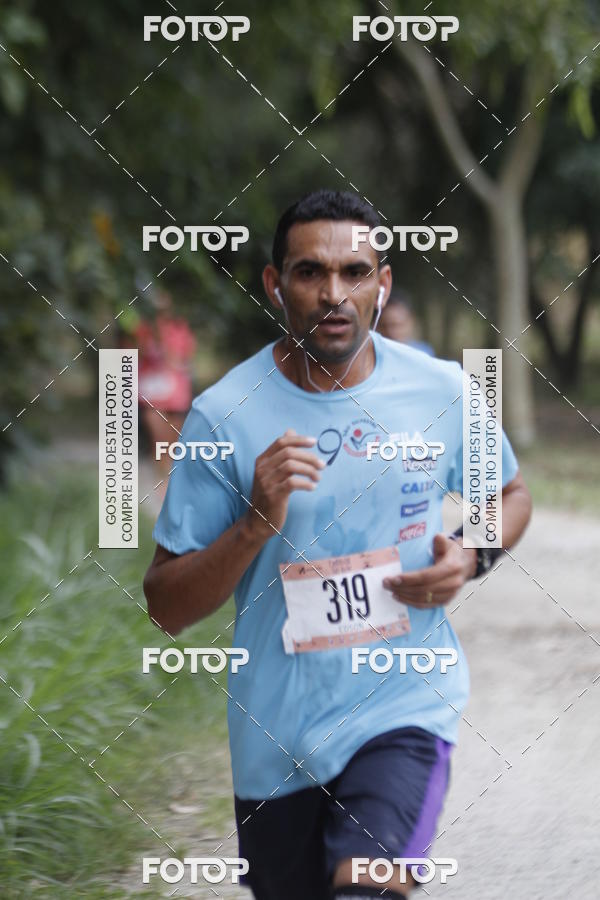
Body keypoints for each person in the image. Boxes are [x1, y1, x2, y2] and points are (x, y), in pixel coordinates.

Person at [143, 190, 532, 899]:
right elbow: (166, 607)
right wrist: (254, 524)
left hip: (404, 708)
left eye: (355, 271)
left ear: (382, 285)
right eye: (309, 272)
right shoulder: (224, 415)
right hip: (276, 740)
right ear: (274, 284)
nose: (334, 293)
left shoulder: (439, 391)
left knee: (367, 889)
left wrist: (472, 554)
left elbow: (508, 496)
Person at [134, 290, 196, 487]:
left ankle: (171, 482)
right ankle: (162, 485)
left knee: (172, 442)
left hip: (176, 393)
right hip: (151, 394)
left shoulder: (179, 328)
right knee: (158, 438)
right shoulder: (142, 329)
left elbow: (184, 357)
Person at [378, 290, 435, 356]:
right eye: (384, 326)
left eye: (397, 325)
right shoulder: (370, 356)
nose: (391, 332)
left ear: (411, 321)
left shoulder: (423, 354)